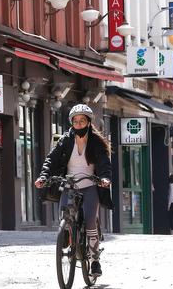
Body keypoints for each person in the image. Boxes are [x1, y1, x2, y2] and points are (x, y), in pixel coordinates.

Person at [34, 104, 113, 277]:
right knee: (65, 215)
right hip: (69, 184)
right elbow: (51, 159)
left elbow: (104, 162)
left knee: (91, 221)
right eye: (75, 121)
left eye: (82, 121)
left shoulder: (96, 142)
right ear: (71, 123)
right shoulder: (65, 140)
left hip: (90, 185)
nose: (78, 124)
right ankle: (68, 233)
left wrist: (105, 178)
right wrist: (43, 176)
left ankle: (94, 261)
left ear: (88, 122)